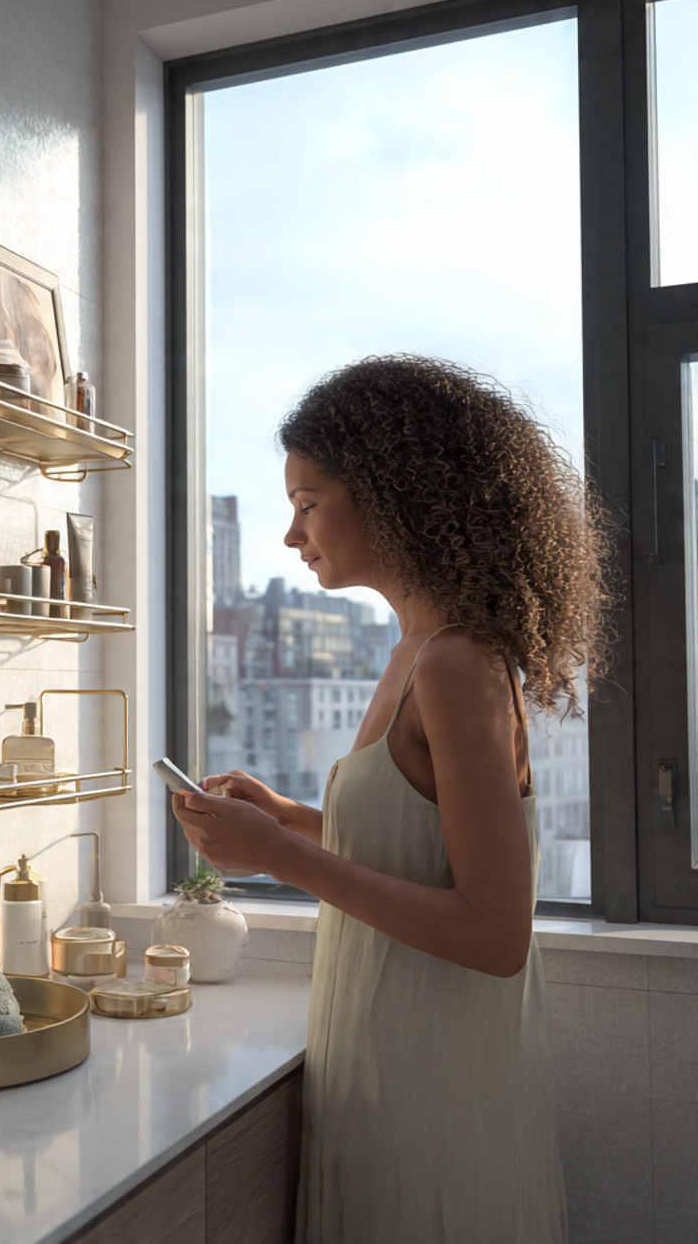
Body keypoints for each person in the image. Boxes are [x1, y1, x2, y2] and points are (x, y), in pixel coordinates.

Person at [173, 355, 613, 1244]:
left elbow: (496, 935)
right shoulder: (415, 645)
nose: (293, 536)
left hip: (437, 1089)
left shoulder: (456, 661)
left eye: (307, 503)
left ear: (393, 492)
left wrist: (283, 857)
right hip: (385, 1065)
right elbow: (425, 839)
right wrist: (291, 818)